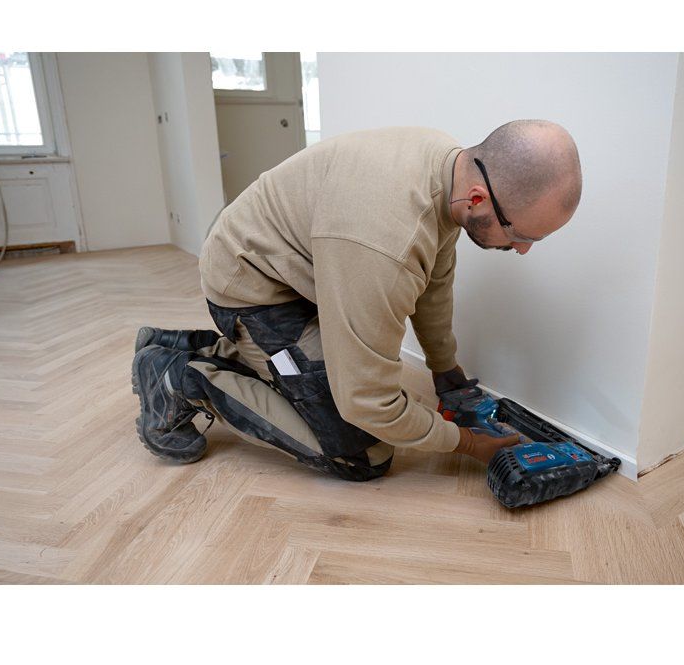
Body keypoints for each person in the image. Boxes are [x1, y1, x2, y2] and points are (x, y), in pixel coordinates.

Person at [131, 120, 582, 481]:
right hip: (253, 288)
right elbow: (366, 401)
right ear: (478, 199)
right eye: (522, 235)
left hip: (307, 271)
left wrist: (444, 368)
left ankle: (188, 346)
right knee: (360, 453)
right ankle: (179, 377)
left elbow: (433, 284)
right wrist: (465, 443)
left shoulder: (450, 166)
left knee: (339, 391)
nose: (523, 249)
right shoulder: (383, 244)